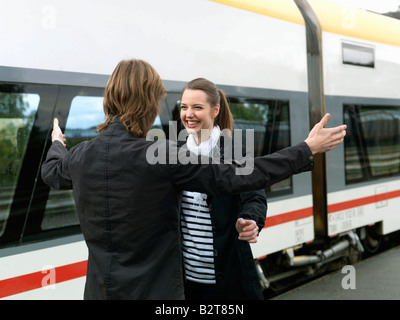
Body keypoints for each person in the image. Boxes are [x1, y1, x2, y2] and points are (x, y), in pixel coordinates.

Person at [41, 58, 346, 300]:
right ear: (148, 103)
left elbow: (51, 171)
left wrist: (57, 142)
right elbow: (237, 176)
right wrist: (306, 149)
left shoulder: (81, 156)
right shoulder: (161, 155)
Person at [178, 78, 267, 300]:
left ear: (215, 110)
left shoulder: (236, 150)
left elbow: (255, 197)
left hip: (226, 280)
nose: (189, 114)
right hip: (185, 281)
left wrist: (249, 219)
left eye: (197, 107)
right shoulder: (175, 153)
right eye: (184, 107)